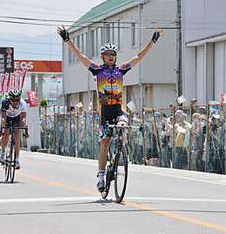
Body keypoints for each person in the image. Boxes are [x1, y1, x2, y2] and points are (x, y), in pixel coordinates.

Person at [57, 25, 164, 192]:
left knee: (123, 127)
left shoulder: (121, 69)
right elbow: (80, 56)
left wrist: (154, 39)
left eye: (113, 54)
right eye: (108, 54)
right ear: (102, 57)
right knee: (105, 144)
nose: (111, 56)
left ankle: (120, 153)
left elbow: (139, 56)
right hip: (105, 111)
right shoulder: (97, 70)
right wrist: (67, 39)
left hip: (118, 109)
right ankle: (100, 176)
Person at [0, 89, 28, 169]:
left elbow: (23, 118)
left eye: (17, 100)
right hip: (7, 117)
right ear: (9, 99)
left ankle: (17, 159)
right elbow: (3, 118)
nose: (15, 102)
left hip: (17, 117)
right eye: (13, 100)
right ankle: (2, 152)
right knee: (6, 134)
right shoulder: (5, 102)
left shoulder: (22, 103)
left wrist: (25, 130)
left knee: (17, 136)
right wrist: (2, 129)